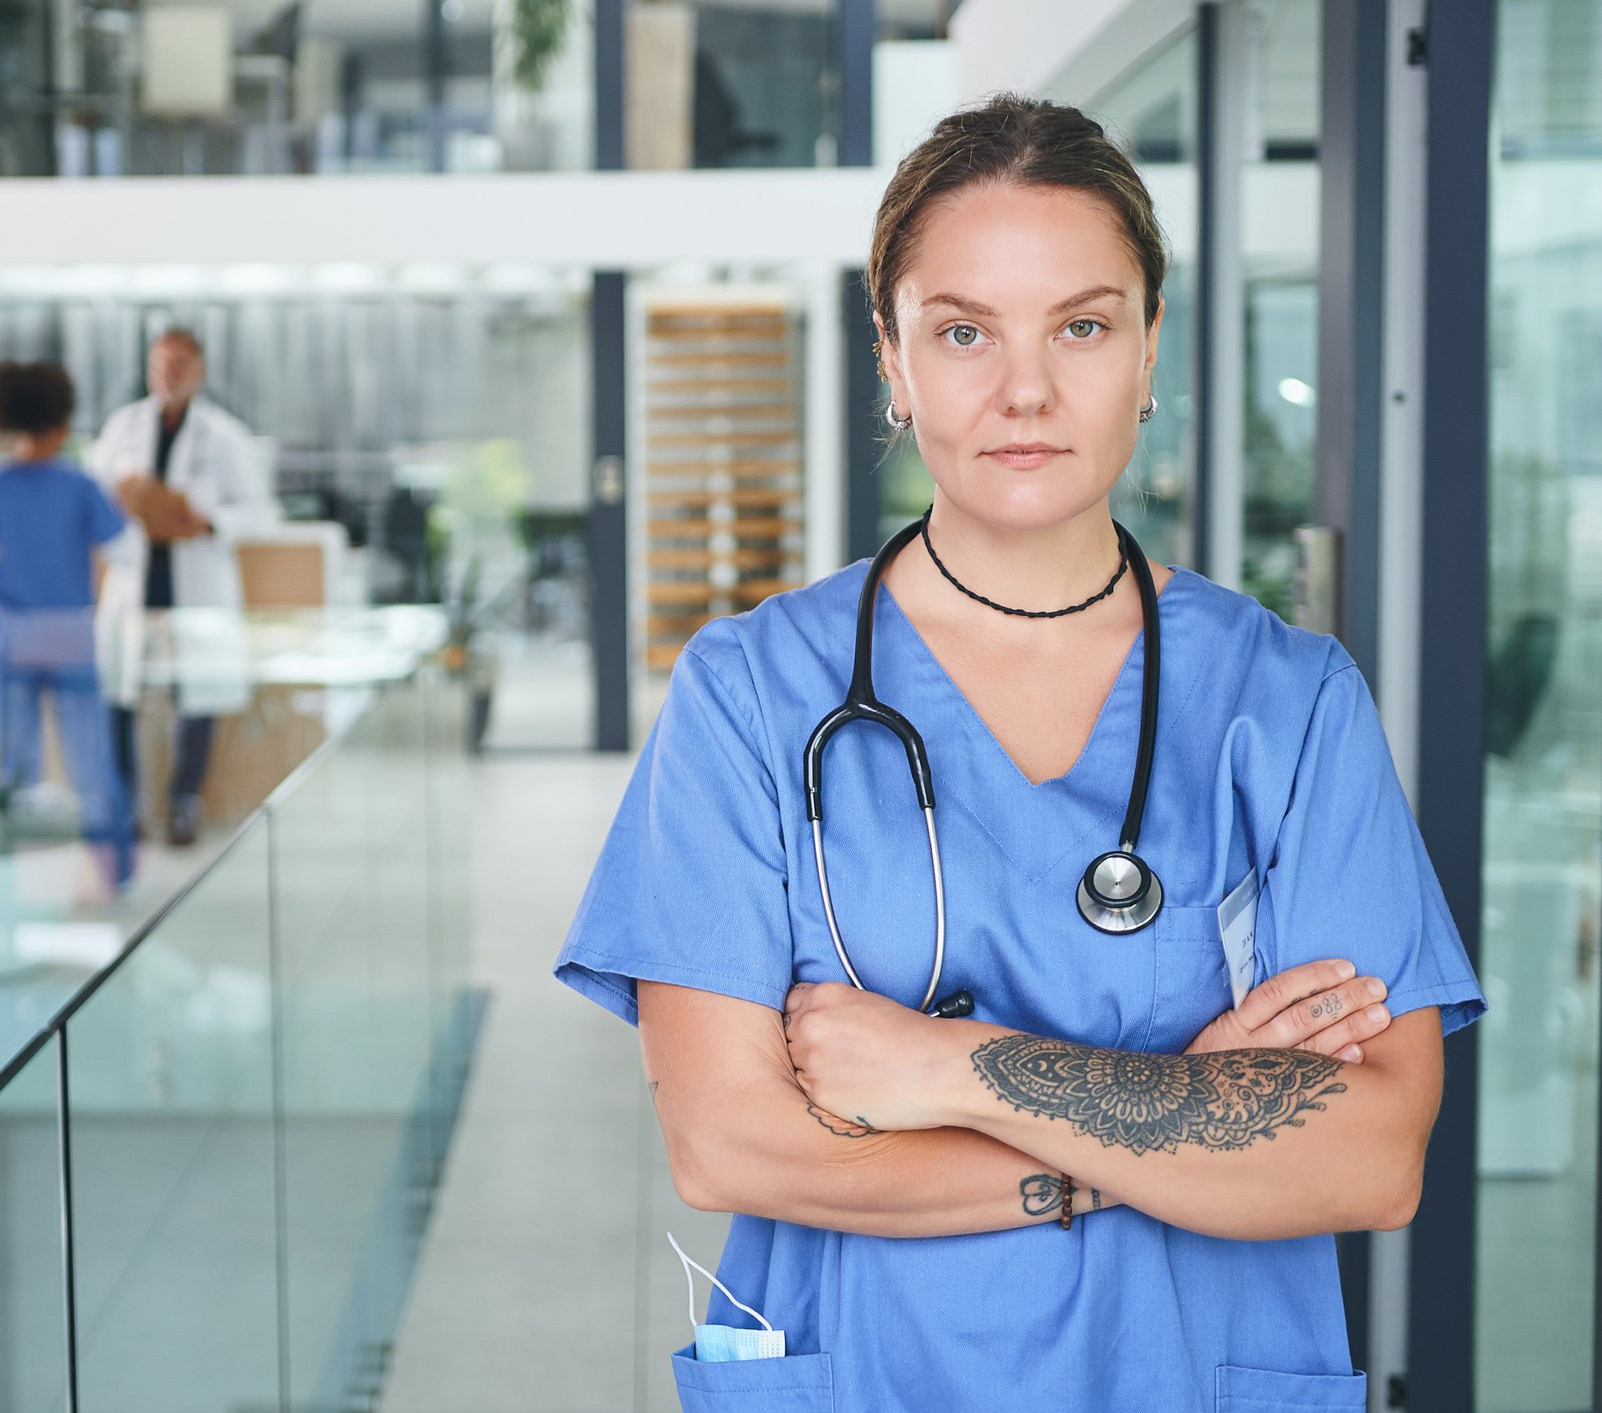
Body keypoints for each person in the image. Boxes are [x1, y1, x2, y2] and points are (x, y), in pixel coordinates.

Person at [554, 94, 1486, 1411]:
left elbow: (1371, 1154)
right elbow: (729, 1144)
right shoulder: (750, 693)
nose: (1026, 390)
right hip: (871, 1368)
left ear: (1151, 347)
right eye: (961, 332)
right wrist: (1160, 1131)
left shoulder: (1284, 702)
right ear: (891, 357)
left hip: (1188, 1368)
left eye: (1083, 325)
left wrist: (942, 1072)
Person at [0, 363, 138, 889]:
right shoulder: (81, 485)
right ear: (60, 420)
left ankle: (15, 875)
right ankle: (116, 873)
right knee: (92, 761)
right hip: (73, 637)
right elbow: (125, 550)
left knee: (15, 766)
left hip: (10, 639)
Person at [88, 327, 277, 846]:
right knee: (118, 693)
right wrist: (125, 501)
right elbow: (94, 498)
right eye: (160, 364)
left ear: (199, 370)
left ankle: (183, 803)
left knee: (195, 697)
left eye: (178, 365)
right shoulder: (122, 427)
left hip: (194, 580)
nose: (167, 374)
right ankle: (125, 805)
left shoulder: (225, 435)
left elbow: (257, 513)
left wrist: (207, 520)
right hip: (135, 581)